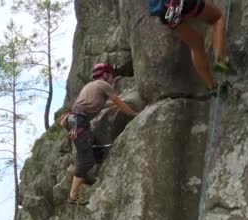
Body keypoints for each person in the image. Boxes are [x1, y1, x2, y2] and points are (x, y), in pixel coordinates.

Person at [66, 63, 138, 205]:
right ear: (105, 74)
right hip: (79, 121)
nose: (113, 78)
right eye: (111, 74)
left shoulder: (90, 86)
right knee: (85, 158)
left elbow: (98, 104)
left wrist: (113, 104)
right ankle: (73, 195)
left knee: (91, 150)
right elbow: (118, 102)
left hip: (74, 120)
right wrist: (134, 113)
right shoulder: (104, 85)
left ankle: (86, 175)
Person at [149, 0, 230, 95]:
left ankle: (212, 87)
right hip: (181, 3)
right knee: (217, 19)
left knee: (196, 46)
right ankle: (220, 60)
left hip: (166, 12)